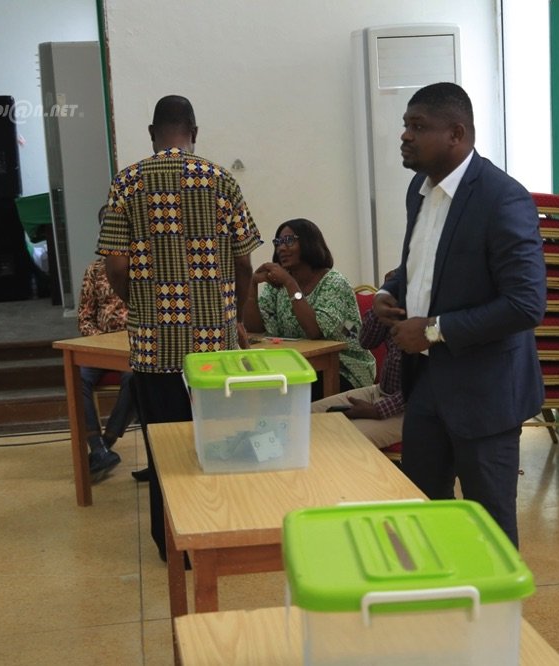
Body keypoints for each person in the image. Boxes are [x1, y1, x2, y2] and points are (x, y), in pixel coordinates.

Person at [373, 82, 546, 547]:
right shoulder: (418, 191)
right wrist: (390, 291)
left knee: (488, 527)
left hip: (485, 391)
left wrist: (432, 331)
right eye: (405, 125)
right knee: (425, 513)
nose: (405, 135)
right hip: (427, 384)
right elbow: (424, 265)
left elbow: (526, 303)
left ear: (456, 134)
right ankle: (441, 591)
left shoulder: (502, 198)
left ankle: (493, 598)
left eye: (417, 126)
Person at [97, 94, 262, 562]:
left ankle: (172, 545)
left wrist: (139, 303)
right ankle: (216, 536)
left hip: (155, 344)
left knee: (164, 445)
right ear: (195, 131)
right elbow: (244, 262)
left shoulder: (127, 182)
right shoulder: (220, 180)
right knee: (219, 441)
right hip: (214, 343)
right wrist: (233, 312)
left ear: (152, 133)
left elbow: (115, 264)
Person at [243, 218, 375, 398]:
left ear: (308, 243)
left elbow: (314, 330)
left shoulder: (334, 282)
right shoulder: (278, 285)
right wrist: (252, 285)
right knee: (254, 388)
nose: (281, 248)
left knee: (286, 396)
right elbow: (255, 328)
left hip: (344, 368)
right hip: (297, 365)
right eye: (278, 242)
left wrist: (290, 283)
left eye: (289, 241)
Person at [76, 248, 134, 481]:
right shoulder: (95, 269)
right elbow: (84, 318)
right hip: (101, 345)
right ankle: (96, 445)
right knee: (77, 376)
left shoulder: (146, 266)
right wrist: (102, 343)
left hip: (136, 346)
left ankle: (106, 442)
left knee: (137, 378)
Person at [310, 306, 403, 449]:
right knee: (303, 417)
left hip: (410, 408)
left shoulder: (432, 322)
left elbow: (428, 387)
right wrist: (380, 305)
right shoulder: (396, 301)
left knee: (333, 438)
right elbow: (365, 341)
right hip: (380, 391)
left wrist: (378, 410)